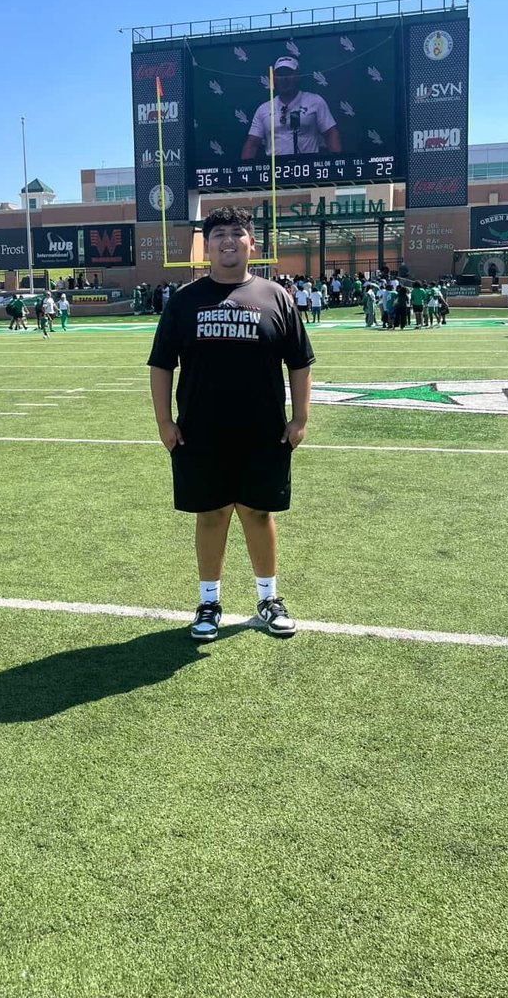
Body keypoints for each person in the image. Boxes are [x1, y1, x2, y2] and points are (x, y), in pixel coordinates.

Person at [148, 205, 314, 643]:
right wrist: (164, 421)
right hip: (200, 431)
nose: (228, 240)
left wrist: (300, 417)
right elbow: (161, 364)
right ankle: (209, 602)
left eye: (237, 232)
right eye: (218, 233)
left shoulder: (276, 296)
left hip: (263, 431)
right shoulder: (184, 300)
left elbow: (300, 362)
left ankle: (268, 599)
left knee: (258, 513)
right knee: (211, 514)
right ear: (206, 245)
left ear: (251, 244)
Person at [241, 57, 342, 159]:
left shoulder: (315, 101)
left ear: (297, 76)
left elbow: (330, 133)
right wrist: (245, 166)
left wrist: (338, 161)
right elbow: (252, 143)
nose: (284, 78)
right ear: (274, 78)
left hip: (308, 164)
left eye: (288, 74)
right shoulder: (264, 109)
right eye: (280, 74)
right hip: (276, 167)